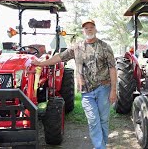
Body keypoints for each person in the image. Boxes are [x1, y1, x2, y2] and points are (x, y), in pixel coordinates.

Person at [31, 19, 117, 149]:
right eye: (86, 28)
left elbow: (112, 68)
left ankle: (101, 146)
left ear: (95, 29)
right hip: (86, 91)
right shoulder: (77, 47)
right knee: (93, 120)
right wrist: (41, 63)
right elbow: (59, 57)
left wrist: (113, 90)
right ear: (83, 31)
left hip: (103, 88)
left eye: (91, 27)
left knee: (103, 120)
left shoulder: (105, 47)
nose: (89, 29)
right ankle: (100, 147)